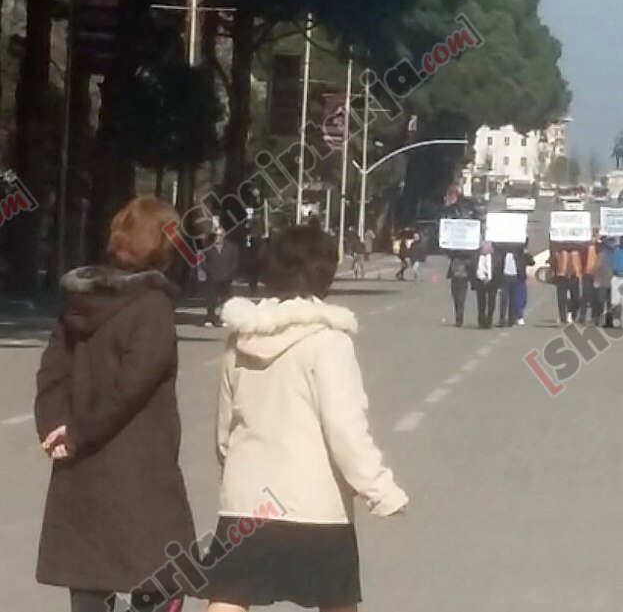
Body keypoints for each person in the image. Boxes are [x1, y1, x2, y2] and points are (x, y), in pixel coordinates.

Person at [202, 225, 407, 611]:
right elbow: (345, 428)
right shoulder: (329, 341)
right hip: (315, 503)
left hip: (247, 502)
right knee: (336, 600)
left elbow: (225, 428)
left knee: (229, 598)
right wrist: (380, 490)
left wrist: (235, 472)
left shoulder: (241, 339)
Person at [35, 196, 197, 612]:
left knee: (88, 582)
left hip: (82, 465)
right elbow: (132, 387)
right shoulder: (153, 306)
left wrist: (56, 427)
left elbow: (53, 369)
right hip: (139, 466)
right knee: (159, 579)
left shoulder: (81, 299)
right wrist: (78, 431)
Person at [201, 225, 242, 328]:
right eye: (216, 235)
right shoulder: (208, 248)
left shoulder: (232, 248)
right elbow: (203, 263)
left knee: (225, 300)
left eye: (220, 235)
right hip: (212, 278)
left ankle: (224, 318)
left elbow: (235, 262)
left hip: (226, 278)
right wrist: (209, 272)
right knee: (211, 300)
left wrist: (230, 274)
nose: (217, 237)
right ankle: (210, 318)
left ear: (224, 236)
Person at [554, 245, 584, 325]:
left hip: (574, 276)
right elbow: (553, 260)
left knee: (576, 298)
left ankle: (571, 314)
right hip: (562, 275)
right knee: (561, 298)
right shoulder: (559, 250)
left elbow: (583, 259)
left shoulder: (578, 250)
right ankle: (563, 318)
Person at [499, 245, 528, 327]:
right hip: (505, 277)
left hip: (516, 277)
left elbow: (531, 261)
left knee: (513, 300)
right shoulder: (502, 253)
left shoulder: (519, 254)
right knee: (504, 299)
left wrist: (525, 252)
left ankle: (511, 320)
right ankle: (502, 319)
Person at [445, 251, 473, 328]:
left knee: (461, 300)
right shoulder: (453, 260)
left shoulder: (467, 260)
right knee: (456, 300)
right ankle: (458, 317)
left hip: (463, 280)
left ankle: (459, 319)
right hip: (455, 280)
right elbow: (450, 272)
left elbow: (470, 268)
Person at [473, 241, 497, 329]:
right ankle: (481, 321)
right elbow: (473, 267)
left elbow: (499, 269)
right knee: (481, 303)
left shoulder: (496, 257)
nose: (486, 248)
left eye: (488, 247)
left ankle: (489, 320)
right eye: (484, 246)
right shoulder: (476, 257)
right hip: (480, 281)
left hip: (492, 282)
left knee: (491, 303)